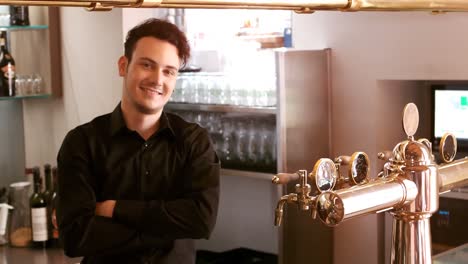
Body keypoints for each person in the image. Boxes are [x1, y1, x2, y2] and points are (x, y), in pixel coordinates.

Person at [56, 18, 220, 264]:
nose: (157, 79)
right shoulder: (82, 142)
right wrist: (169, 231)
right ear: (123, 66)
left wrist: (114, 209)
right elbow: (75, 237)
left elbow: (201, 221)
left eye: (168, 71)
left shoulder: (194, 141)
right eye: (147, 65)